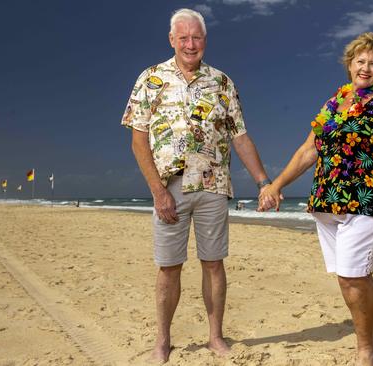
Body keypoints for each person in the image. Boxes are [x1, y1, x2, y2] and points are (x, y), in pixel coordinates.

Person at [121, 8, 272, 363]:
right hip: (169, 188)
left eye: (197, 37)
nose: (191, 44)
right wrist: (158, 191)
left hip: (214, 185)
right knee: (169, 266)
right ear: (172, 40)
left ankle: (215, 337)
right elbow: (138, 140)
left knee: (213, 263)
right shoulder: (150, 78)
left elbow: (241, 137)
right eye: (184, 38)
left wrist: (263, 182)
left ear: (205, 41)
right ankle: (162, 340)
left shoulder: (222, 82)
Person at [258, 32, 373, 365]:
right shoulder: (334, 101)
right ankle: (365, 339)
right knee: (348, 275)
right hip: (328, 203)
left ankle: (366, 349)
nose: (366, 68)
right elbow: (308, 150)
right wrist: (275, 185)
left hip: (367, 201)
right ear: (349, 64)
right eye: (360, 61)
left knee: (354, 275)